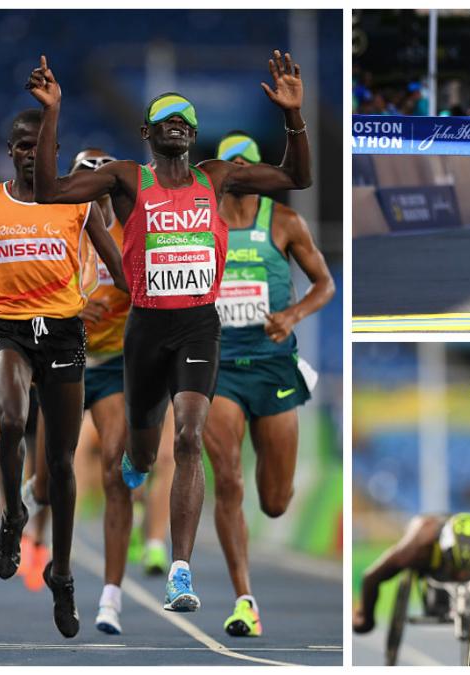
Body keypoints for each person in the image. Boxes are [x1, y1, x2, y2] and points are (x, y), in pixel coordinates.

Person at [26, 49, 311, 613]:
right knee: (140, 449)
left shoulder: (218, 176)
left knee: (187, 437)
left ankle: (181, 570)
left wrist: (293, 117)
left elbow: (297, 176)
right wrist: (53, 112)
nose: (177, 121)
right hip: (147, 329)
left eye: (185, 116)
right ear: (147, 132)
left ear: (195, 132)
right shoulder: (128, 179)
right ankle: (135, 458)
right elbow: (49, 193)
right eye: (166, 116)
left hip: (199, 326)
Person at [0, 109, 126, 638]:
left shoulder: (76, 203)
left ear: (52, 151)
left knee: (61, 465)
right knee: (10, 419)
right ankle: (12, 517)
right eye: (23, 145)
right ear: (11, 150)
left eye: (41, 145)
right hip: (7, 332)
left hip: (64, 333)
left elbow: (117, 266)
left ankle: (64, 573)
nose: (32, 153)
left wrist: (151, 304)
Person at [203, 131, 335, 636]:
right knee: (229, 479)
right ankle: (245, 600)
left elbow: (325, 284)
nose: (236, 172)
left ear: (259, 171)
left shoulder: (283, 222)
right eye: (228, 164)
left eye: (245, 163)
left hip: (273, 367)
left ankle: (276, 491)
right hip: (219, 367)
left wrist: (292, 314)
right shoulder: (203, 224)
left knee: (275, 502)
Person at [63, 148, 176, 635]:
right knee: (50, 477)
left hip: (111, 366)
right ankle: (32, 503)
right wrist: (68, 309)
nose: (94, 187)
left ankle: (111, 596)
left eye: (100, 179)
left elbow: (159, 293)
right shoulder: (55, 228)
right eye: (83, 178)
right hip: (62, 359)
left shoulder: (135, 234)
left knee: (118, 466)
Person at [352, 512, 470, 634]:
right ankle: (436, 599)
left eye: (466, 568)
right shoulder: (418, 545)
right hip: (429, 561)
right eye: (456, 567)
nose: (461, 576)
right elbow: (371, 577)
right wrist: (366, 619)